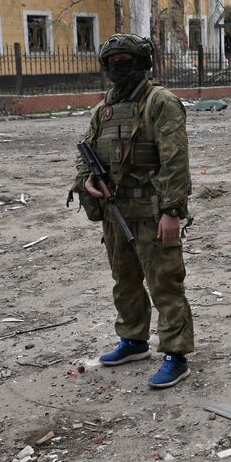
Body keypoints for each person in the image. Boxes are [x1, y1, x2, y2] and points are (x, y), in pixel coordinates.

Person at [73, 34, 195, 388]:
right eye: (113, 63)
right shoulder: (103, 109)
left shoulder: (161, 103)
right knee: (124, 281)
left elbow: (176, 162)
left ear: (143, 64)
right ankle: (133, 340)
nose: (118, 69)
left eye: (126, 62)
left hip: (153, 212)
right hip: (115, 210)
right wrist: (86, 182)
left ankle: (176, 354)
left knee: (165, 283)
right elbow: (86, 153)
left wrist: (172, 210)